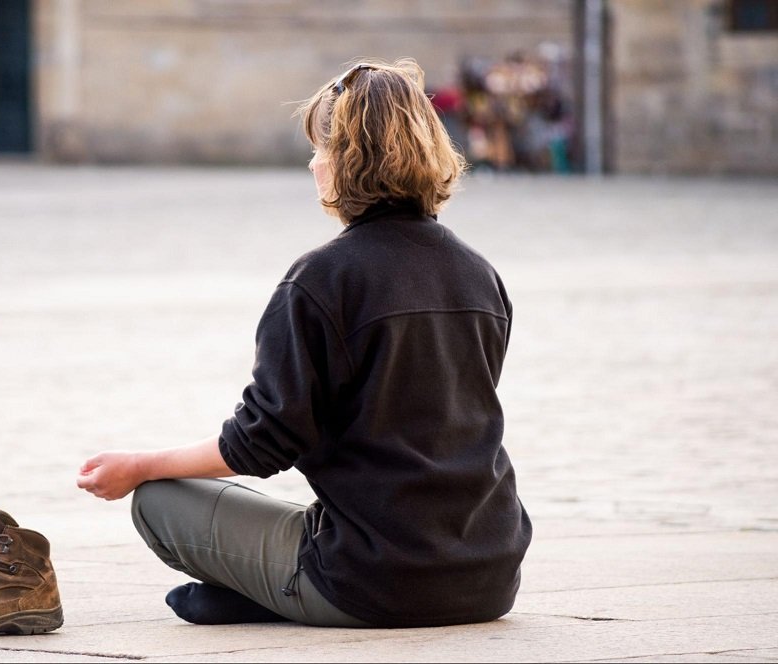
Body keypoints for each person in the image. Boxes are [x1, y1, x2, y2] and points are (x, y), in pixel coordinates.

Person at [76, 58, 532, 629]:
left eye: (322, 147)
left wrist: (140, 465)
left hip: (375, 580)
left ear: (350, 160)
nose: (313, 163)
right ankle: (273, 592)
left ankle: (284, 594)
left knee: (159, 500)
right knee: (301, 516)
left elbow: (262, 443)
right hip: (489, 574)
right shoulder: (479, 274)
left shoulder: (322, 280)